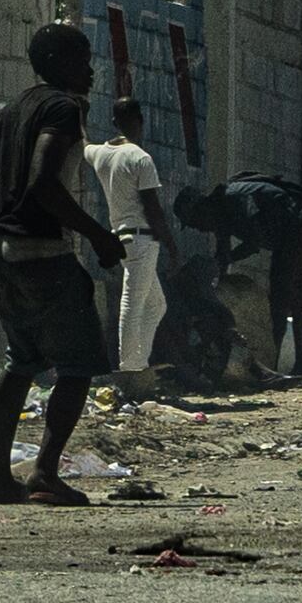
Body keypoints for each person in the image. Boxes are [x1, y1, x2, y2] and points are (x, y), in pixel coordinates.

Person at [0, 24, 117, 503]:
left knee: (21, 362)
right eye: (83, 59)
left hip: (5, 256)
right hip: (43, 254)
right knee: (77, 366)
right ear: (59, 63)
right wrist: (98, 235)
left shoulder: (9, 112)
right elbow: (43, 182)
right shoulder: (61, 108)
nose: (93, 70)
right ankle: (43, 472)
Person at [84, 95, 175, 390]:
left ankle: (138, 364)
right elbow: (152, 207)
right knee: (133, 304)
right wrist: (171, 245)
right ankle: (128, 372)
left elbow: (81, 142)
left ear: (114, 122)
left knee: (156, 305)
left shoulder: (99, 154)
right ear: (141, 121)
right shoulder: (140, 158)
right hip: (143, 239)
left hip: (122, 238)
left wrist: (78, 112)